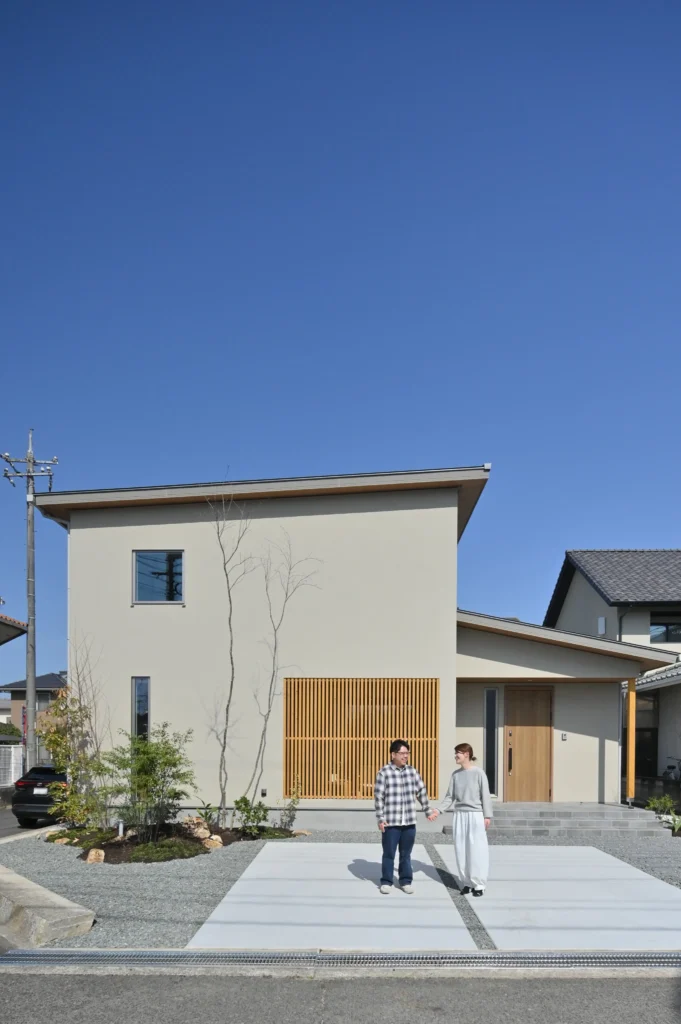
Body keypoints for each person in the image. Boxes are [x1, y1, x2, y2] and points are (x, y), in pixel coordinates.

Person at [374, 739, 438, 894]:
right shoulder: (384, 772)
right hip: (391, 822)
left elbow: (421, 792)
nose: (405, 756)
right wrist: (380, 818)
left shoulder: (412, 772)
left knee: (406, 854)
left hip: (409, 821)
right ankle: (387, 881)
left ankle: (405, 881)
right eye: (402, 753)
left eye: (407, 753)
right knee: (389, 854)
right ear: (393, 754)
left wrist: (427, 810)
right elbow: (379, 797)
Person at [431, 742, 492, 897]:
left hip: (475, 814)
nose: (455, 756)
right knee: (461, 849)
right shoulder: (455, 775)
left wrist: (487, 815)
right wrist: (438, 810)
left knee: (477, 849)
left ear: (467, 754)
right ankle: (466, 883)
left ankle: (479, 884)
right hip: (459, 815)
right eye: (455, 752)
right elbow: (450, 797)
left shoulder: (479, 773)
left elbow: (485, 795)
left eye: (458, 752)